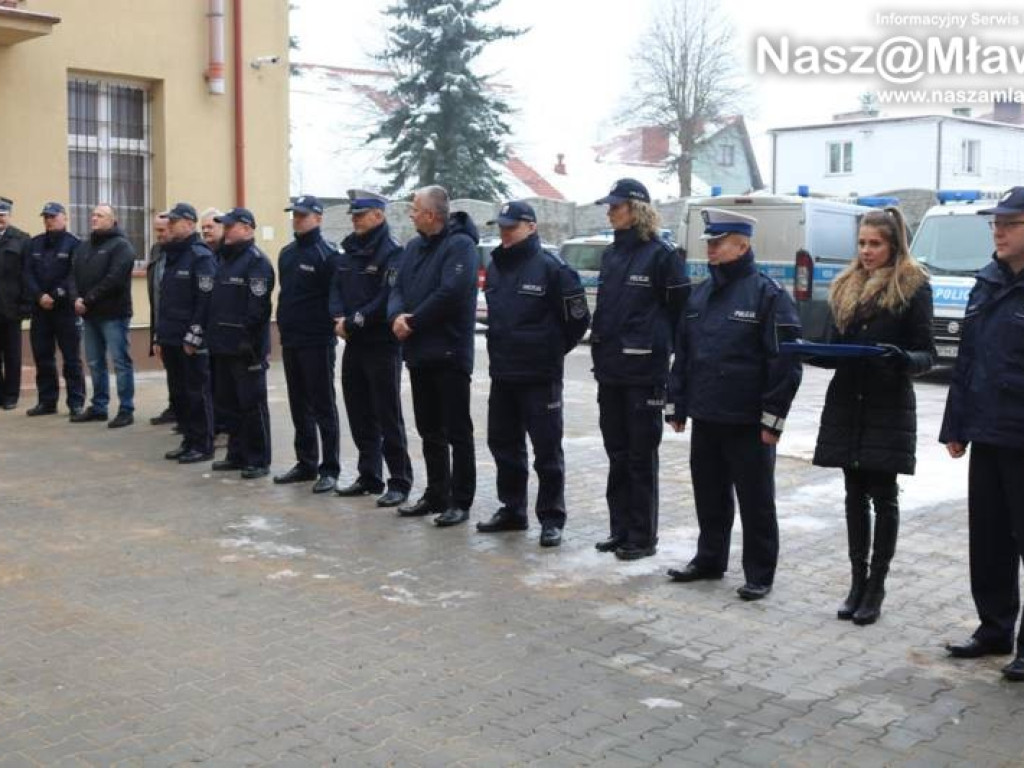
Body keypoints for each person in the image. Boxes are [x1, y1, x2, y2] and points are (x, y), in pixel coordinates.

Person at [666, 208, 802, 600]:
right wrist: (677, 404)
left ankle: (760, 572)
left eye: (718, 242)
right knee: (708, 494)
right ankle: (709, 559)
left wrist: (772, 418)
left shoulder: (768, 294)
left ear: (742, 245)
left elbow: (785, 362)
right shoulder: (700, 294)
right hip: (708, 414)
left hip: (747, 420)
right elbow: (684, 353)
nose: (710, 248)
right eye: (708, 242)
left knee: (756, 500)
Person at [811, 207, 934, 625]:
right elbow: (832, 346)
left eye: (875, 243)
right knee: (852, 494)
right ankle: (855, 582)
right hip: (847, 402)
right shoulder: (845, 285)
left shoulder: (913, 286)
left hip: (886, 404)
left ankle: (876, 587)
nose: (866, 250)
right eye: (862, 243)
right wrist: (810, 350)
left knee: (883, 495)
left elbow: (927, 354)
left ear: (893, 244)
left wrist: (902, 359)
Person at [941, 186, 1024, 681]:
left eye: (1010, 223)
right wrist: (956, 426)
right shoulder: (988, 280)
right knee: (989, 540)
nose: (998, 230)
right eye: (995, 222)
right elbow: (967, 360)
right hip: (988, 432)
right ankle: (994, 628)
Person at [476, 201, 590, 547]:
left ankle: (551, 517)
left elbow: (578, 321)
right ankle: (513, 509)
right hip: (503, 374)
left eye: (512, 227)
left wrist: (551, 350)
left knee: (546, 451)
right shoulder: (496, 267)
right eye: (502, 227)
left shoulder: (553, 269)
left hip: (540, 377)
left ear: (531, 227)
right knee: (504, 445)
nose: (505, 233)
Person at [590, 179, 688, 560]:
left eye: (616, 205)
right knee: (616, 453)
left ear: (637, 208)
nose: (609, 211)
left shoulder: (662, 256)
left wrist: (675, 369)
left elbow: (681, 316)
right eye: (609, 205)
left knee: (639, 456)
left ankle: (642, 536)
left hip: (644, 372)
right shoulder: (612, 255)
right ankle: (620, 529)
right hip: (611, 371)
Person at [387, 186, 479, 527]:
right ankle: (436, 493)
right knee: (429, 430)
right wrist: (396, 316)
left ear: (431, 214)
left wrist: (413, 321)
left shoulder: (461, 247)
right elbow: (397, 287)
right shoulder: (413, 247)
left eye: (415, 208)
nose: (410, 214)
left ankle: (461, 499)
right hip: (420, 353)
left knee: (457, 431)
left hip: (450, 353)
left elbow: (451, 293)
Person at [331, 189, 413, 507]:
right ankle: (369, 475)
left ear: (378, 216)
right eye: (353, 216)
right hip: (354, 344)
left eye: (360, 215)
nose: (355, 220)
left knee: (387, 415)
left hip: (380, 344)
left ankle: (399, 480)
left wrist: (353, 321)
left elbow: (386, 298)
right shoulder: (349, 251)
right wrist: (337, 317)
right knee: (359, 412)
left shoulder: (392, 252)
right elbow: (336, 288)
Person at [273, 195, 341, 494]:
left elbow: (334, 298)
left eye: (302, 215)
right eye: (294, 215)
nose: (297, 220)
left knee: (322, 404)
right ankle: (306, 462)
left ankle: (330, 468)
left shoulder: (326, 255)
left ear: (318, 217)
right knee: (299, 404)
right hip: (292, 339)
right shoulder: (287, 254)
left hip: (317, 341)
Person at [206, 207, 275, 479]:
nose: (226, 230)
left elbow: (257, 307)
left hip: (246, 349)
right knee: (228, 404)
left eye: (230, 225)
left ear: (247, 228)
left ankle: (258, 459)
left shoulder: (256, 262)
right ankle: (236, 454)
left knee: (252, 405)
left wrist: (249, 341)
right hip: (222, 344)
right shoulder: (224, 258)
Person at [155, 203, 217, 464]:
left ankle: (203, 444)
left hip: (190, 339)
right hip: (171, 336)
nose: (169, 225)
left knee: (196, 393)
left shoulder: (199, 255)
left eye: (175, 221)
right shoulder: (172, 254)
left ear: (190, 224)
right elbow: (166, 300)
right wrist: (159, 336)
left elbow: (206, 300)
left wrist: (195, 335)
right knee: (179, 393)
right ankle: (188, 439)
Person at [70, 204, 137, 428]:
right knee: (95, 362)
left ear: (112, 220)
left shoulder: (122, 246)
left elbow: (114, 279)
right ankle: (99, 407)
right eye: (93, 215)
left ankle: (126, 409)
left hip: (114, 315)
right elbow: (72, 275)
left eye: (99, 215)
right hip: (89, 315)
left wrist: (86, 300)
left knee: (120, 362)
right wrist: (75, 299)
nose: (94, 218)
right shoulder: (84, 246)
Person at [23, 202, 85, 417]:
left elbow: (73, 275)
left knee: (71, 358)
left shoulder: (74, 244)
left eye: (53, 216)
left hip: (64, 309)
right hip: (40, 310)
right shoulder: (35, 243)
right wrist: (39, 296)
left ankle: (76, 403)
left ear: (64, 218)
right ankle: (47, 401)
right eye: (46, 217)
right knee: (43, 357)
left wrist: (56, 295)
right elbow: (27, 274)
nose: (49, 220)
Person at [147, 214, 177, 427]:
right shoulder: (156, 251)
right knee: (170, 366)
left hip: (177, 319)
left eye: (163, 230)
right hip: (159, 315)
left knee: (184, 372)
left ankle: (183, 411)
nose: (159, 235)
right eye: (156, 230)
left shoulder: (181, 253)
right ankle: (174, 406)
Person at [0, 197, 30, 409]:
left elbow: (27, 275)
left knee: (12, 355)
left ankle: (11, 396)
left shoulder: (21, 239)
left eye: (2, 215)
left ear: (8, 215)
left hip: (11, 306)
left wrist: (26, 305)